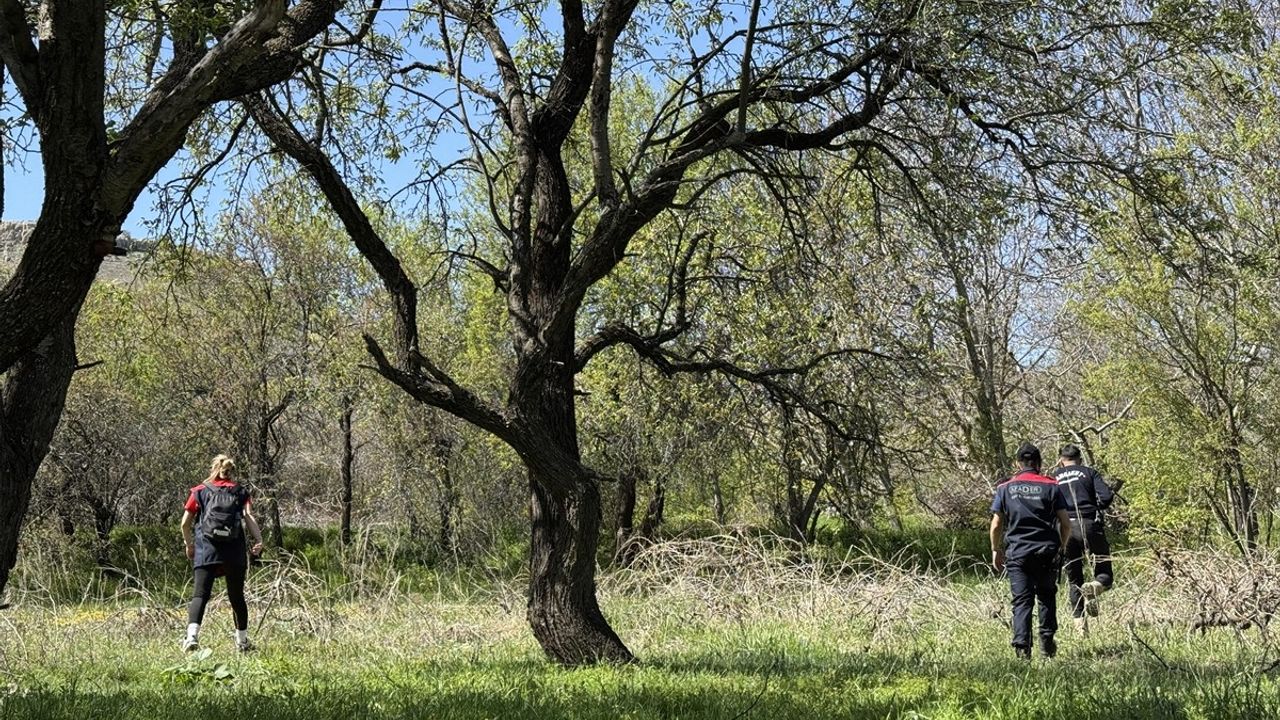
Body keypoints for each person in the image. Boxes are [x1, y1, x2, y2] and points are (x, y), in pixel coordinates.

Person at [990, 443, 1071, 660]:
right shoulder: (1052, 486)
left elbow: (997, 524)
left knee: (1021, 601)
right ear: (1039, 463)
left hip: (1017, 552)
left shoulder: (1004, 488)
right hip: (1047, 551)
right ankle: (1046, 643)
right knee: (1046, 595)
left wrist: (995, 550)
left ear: (1018, 463)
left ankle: (1022, 649)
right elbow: (1066, 523)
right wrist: (1061, 547)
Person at [179, 454, 263, 652]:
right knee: (236, 597)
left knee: (200, 594)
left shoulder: (199, 491)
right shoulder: (240, 492)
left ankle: (191, 637)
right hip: (234, 550)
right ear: (230, 471)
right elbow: (248, 516)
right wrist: (259, 540)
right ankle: (242, 642)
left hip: (206, 548)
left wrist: (189, 543)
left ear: (213, 468)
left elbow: (185, 523)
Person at [1050, 444, 1116, 635]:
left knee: (1074, 578)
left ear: (1062, 460)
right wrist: (1097, 506)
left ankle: (1081, 629)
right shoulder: (1089, 473)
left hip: (1065, 529)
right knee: (1103, 563)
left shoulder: (1054, 477)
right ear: (1079, 459)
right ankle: (1097, 585)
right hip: (1088, 523)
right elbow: (1106, 497)